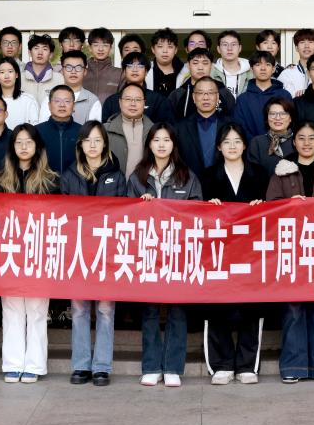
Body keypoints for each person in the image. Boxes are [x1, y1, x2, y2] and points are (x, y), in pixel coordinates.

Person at [267, 120, 314, 383]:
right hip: (292, 248)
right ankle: (294, 367)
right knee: (293, 308)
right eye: (301, 138)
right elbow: (270, 207)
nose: (307, 143)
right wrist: (288, 205)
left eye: (312, 138)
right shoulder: (282, 171)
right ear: (294, 141)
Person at [129, 122, 203, 387]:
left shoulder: (187, 176)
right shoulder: (137, 177)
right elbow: (126, 215)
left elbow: (197, 212)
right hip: (148, 251)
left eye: (167, 140)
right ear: (149, 144)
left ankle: (172, 367)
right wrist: (141, 206)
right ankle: (151, 366)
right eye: (156, 140)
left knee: (177, 310)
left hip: (178, 251)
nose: (161, 145)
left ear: (174, 145)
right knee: (149, 310)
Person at [60, 121, 128, 387]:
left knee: (105, 309)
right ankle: (80, 366)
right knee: (78, 310)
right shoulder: (69, 175)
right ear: (80, 145)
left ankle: (101, 367)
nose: (92, 145)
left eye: (98, 140)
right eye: (87, 140)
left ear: (105, 144)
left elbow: (123, 214)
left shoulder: (116, 176)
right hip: (77, 251)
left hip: (107, 252)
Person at [0, 124, 60, 383]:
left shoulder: (51, 181)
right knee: (11, 309)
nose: (23, 146)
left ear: (37, 146)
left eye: (29, 142)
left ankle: (34, 365)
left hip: (38, 252)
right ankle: (12, 364)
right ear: (12, 147)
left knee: (37, 310)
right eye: (18, 142)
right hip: (8, 252)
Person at [203, 122, 267, 385]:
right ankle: (222, 364)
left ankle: (247, 365)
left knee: (251, 306)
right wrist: (207, 207)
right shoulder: (208, 175)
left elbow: (274, 212)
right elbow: (196, 213)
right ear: (219, 146)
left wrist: (262, 207)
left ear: (245, 145)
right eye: (227, 142)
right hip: (219, 253)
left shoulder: (260, 174)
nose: (232, 146)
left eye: (237, 141)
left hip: (251, 253)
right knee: (218, 305)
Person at [174, 77, 230, 180]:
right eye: (200, 93)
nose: (206, 97)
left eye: (210, 93)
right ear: (194, 97)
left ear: (217, 97)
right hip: (189, 184)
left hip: (223, 185)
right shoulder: (180, 128)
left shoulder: (231, 126)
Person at [233, 50, 291, 140]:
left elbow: (291, 123)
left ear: (273, 69)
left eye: (267, 64)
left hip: (282, 146)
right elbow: (240, 128)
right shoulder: (243, 99)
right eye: (258, 65)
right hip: (252, 147)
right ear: (251, 69)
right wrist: (256, 144)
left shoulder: (284, 95)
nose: (263, 68)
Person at [101, 51, 174, 123]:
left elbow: (165, 127)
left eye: (140, 66)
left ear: (146, 72)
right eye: (130, 66)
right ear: (124, 71)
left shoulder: (158, 101)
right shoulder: (111, 101)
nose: (135, 70)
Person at [168, 48, 236, 121]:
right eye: (195, 63)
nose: (200, 68)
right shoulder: (178, 95)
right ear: (188, 65)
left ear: (211, 65)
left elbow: (233, 120)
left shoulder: (223, 92)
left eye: (205, 63)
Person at [104, 82, 152, 179]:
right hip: (113, 186)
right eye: (128, 99)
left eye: (138, 100)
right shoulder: (105, 130)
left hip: (144, 187)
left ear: (144, 103)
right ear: (120, 103)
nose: (133, 104)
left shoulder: (154, 131)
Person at [39, 50, 102, 124]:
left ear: (85, 71)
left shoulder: (93, 101)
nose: (73, 72)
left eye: (78, 67)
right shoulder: (49, 97)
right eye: (68, 67)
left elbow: (94, 130)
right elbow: (43, 127)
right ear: (62, 71)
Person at [36, 85, 81, 173]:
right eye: (57, 101)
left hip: (74, 181)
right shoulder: (36, 131)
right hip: (44, 180)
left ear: (73, 105)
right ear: (49, 105)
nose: (62, 105)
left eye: (67, 101)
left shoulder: (82, 132)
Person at [245, 96, 296, 176]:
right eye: (272, 114)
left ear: (290, 118)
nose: (277, 118)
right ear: (267, 118)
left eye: (283, 113)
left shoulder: (298, 142)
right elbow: (252, 175)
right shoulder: (257, 142)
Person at [0, 57, 40, 129]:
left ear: (16, 74)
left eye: (10, 71)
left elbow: (34, 129)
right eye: (2, 72)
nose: (6, 76)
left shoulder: (29, 100)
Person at [21, 33, 64, 106]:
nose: (40, 53)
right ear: (29, 52)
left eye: (45, 49)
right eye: (36, 48)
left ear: (51, 54)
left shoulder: (59, 79)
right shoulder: (19, 78)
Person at [84, 27, 122, 100]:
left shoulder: (120, 74)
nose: (100, 49)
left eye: (105, 45)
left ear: (110, 48)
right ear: (90, 48)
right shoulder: (82, 73)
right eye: (96, 45)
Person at [211, 30, 251, 98]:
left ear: (240, 48)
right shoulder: (211, 73)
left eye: (233, 44)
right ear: (218, 49)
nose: (229, 48)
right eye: (225, 44)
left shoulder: (252, 72)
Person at [146, 28, 183, 96]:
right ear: (153, 49)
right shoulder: (145, 70)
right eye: (160, 46)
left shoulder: (185, 72)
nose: (165, 51)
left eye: (170, 47)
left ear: (176, 50)